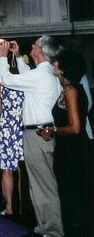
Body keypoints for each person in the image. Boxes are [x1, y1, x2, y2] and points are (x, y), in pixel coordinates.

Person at [0, 36, 63, 237]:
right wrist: (17, 57)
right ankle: (43, 228)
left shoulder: (42, 76)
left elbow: (8, 80)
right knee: (38, 185)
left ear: (40, 52)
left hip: (37, 134)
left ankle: (52, 232)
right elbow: (28, 77)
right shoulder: (44, 74)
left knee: (43, 186)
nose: (32, 48)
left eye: (34, 46)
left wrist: (3, 58)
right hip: (38, 132)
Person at [45, 49, 91, 236]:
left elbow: (75, 127)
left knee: (72, 196)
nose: (54, 64)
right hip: (70, 148)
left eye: (57, 63)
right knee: (72, 194)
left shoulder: (71, 90)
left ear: (64, 69)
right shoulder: (71, 89)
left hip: (74, 150)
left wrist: (53, 130)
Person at [0, 77, 25, 217]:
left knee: (7, 170)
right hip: (22, 126)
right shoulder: (25, 83)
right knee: (22, 169)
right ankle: (24, 207)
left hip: (6, 128)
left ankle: (9, 207)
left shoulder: (0, 86)